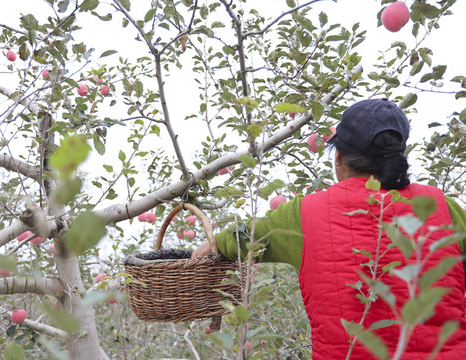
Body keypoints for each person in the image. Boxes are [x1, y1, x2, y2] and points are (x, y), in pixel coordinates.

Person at [192, 98, 466, 359]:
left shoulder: (303, 214)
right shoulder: (442, 206)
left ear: (339, 159)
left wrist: (212, 244)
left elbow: (240, 239)